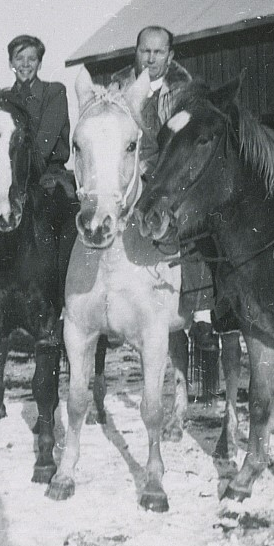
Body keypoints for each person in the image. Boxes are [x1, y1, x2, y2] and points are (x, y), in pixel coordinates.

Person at [111, 26, 217, 353]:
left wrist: (158, 169)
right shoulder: (120, 90)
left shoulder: (182, 92)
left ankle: (201, 313)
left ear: (169, 56)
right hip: (129, 173)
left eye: (158, 52)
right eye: (145, 51)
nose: (151, 58)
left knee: (191, 225)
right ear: (136, 52)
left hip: (169, 174)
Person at [7, 34, 76, 205]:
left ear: (40, 64)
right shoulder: (5, 99)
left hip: (49, 174)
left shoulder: (54, 92)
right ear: (11, 64)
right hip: (12, 175)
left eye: (32, 59)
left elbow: (43, 147)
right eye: (19, 58)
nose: (25, 64)